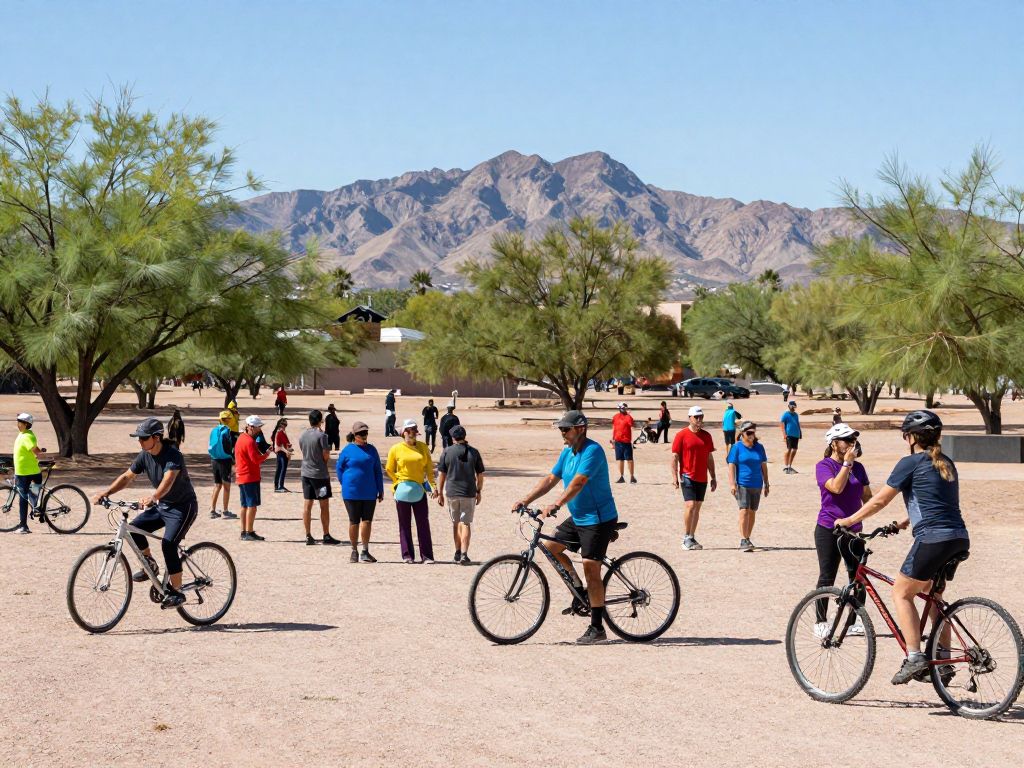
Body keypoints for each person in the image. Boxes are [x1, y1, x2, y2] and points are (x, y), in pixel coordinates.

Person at [836, 410, 970, 685]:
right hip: (957, 537)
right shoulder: (946, 462)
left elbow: (879, 501)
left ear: (910, 438)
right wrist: (904, 521)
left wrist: (849, 520)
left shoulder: (910, 462)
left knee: (901, 592)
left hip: (933, 538)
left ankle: (914, 658)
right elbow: (938, 503)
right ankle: (943, 660)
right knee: (933, 596)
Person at [512, 410, 619, 645]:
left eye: (566, 429)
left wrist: (556, 504)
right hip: (579, 516)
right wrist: (526, 500)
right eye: (561, 429)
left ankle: (597, 627)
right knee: (551, 548)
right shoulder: (567, 452)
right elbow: (551, 479)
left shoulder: (593, 451)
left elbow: (579, 482)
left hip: (598, 519)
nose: (562, 433)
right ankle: (579, 590)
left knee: (592, 569)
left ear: (580, 429)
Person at [90, 418, 198, 608]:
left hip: (183, 507)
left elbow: (168, 480)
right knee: (134, 528)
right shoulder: (144, 455)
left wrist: (153, 497)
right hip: (163, 506)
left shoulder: (173, 455)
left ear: (156, 438)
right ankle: (150, 563)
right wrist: (106, 493)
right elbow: (127, 477)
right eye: (138, 438)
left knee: (168, 544)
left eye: (143, 438)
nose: (140, 441)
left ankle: (178, 592)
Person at [812, 422, 872, 637]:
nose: (851, 444)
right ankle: (820, 621)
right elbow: (835, 487)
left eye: (853, 440)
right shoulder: (824, 465)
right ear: (834, 443)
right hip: (828, 528)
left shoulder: (859, 467)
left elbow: (867, 497)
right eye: (846, 439)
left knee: (857, 577)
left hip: (853, 531)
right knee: (827, 575)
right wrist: (846, 464)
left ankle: (855, 621)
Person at [385, 419, 436, 563]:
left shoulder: (423, 447)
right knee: (404, 524)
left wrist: (433, 486)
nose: (414, 433)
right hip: (402, 491)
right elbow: (389, 468)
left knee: (423, 523)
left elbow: (429, 469)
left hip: (419, 489)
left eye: (415, 430)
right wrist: (397, 482)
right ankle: (407, 555)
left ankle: (427, 556)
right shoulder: (396, 449)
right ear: (405, 433)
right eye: (411, 430)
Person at [437, 424, 485, 565]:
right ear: (464, 436)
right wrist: (478, 491)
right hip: (469, 492)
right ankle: (464, 553)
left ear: (453, 437)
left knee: (455, 523)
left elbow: (442, 474)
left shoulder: (447, 452)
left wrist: (440, 492)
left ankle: (457, 552)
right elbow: (480, 474)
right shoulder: (474, 452)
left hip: (452, 492)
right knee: (466, 523)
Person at [337, 421, 385, 563]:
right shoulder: (347, 450)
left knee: (367, 521)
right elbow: (339, 469)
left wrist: (380, 489)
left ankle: (365, 550)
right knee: (354, 521)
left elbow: (377, 471)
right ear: (354, 435)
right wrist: (345, 483)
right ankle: (353, 550)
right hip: (351, 492)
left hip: (369, 491)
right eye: (361, 433)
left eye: (366, 433)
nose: (364, 436)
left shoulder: (372, 450)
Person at [671, 405, 717, 551]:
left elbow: (709, 456)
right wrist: (674, 476)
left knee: (697, 507)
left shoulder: (706, 436)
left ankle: (691, 536)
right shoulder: (681, 435)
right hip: (687, 475)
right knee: (690, 505)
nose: (699, 420)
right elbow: (675, 456)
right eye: (696, 417)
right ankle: (685, 537)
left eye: (701, 417)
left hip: (702, 477)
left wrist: (713, 476)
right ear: (689, 418)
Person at [299, 409, 341, 547]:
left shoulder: (303, 435)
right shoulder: (322, 436)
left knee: (307, 505)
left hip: (306, 473)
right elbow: (326, 454)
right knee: (324, 505)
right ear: (320, 420)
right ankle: (326, 534)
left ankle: (307, 534)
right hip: (320, 475)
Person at [727, 420, 769, 552]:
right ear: (742, 433)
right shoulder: (737, 447)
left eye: (753, 432)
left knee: (752, 512)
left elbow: (763, 465)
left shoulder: (759, 447)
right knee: (744, 510)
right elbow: (731, 465)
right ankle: (743, 539)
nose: (752, 435)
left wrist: (766, 483)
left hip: (757, 484)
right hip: (742, 484)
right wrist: (732, 483)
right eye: (749, 432)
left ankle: (748, 537)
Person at [234, 414, 272, 541]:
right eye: (257, 427)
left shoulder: (241, 438)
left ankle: (243, 531)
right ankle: (249, 532)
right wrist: (266, 454)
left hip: (242, 476)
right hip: (249, 477)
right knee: (252, 506)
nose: (259, 429)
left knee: (244, 505)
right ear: (250, 427)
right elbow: (256, 459)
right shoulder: (249, 441)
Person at [11, 413, 46, 534]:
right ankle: (37, 509)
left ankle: (23, 526)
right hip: (28, 472)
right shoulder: (24, 434)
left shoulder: (27, 436)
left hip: (25, 473)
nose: (18, 425)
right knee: (32, 494)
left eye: (20, 422)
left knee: (23, 498)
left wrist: (42, 453)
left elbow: (35, 450)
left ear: (26, 424)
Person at [207, 410, 237, 520]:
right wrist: (233, 461)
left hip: (214, 460)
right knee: (227, 487)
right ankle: (225, 511)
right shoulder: (227, 431)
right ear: (229, 420)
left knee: (217, 485)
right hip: (225, 461)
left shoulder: (214, 430)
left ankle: (212, 510)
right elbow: (229, 448)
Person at [611, 402, 636, 483]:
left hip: (626, 441)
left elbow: (632, 426)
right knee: (619, 459)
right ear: (619, 408)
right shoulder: (615, 417)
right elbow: (614, 428)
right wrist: (613, 439)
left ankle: (632, 476)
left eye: (625, 408)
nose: (624, 409)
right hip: (617, 441)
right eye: (622, 408)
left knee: (629, 460)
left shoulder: (628, 417)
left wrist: (630, 416)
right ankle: (621, 477)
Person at [271, 418, 293, 493]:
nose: (285, 426)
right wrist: (287, 451)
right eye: (284, 424)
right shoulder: (280, 432)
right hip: (282, 453)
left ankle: (277, 486)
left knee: (279, 469)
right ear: (280, 424)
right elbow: (279, 445)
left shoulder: (278, 432)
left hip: (280, 453)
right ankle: (280, 486)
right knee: (282, 470)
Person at [779, 400, 802, 474]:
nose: (793, 408)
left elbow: (797, 424)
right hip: (789, 435)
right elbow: (782, 424)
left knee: (794, 450)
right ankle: (786, 466)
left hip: (796, 435)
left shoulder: (796, 415)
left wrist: (800, 433)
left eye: (794, 407)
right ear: (789, 406)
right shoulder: (785, 414)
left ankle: (790, 465)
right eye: (791, 406)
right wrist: (784, 434)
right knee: (789, 449)